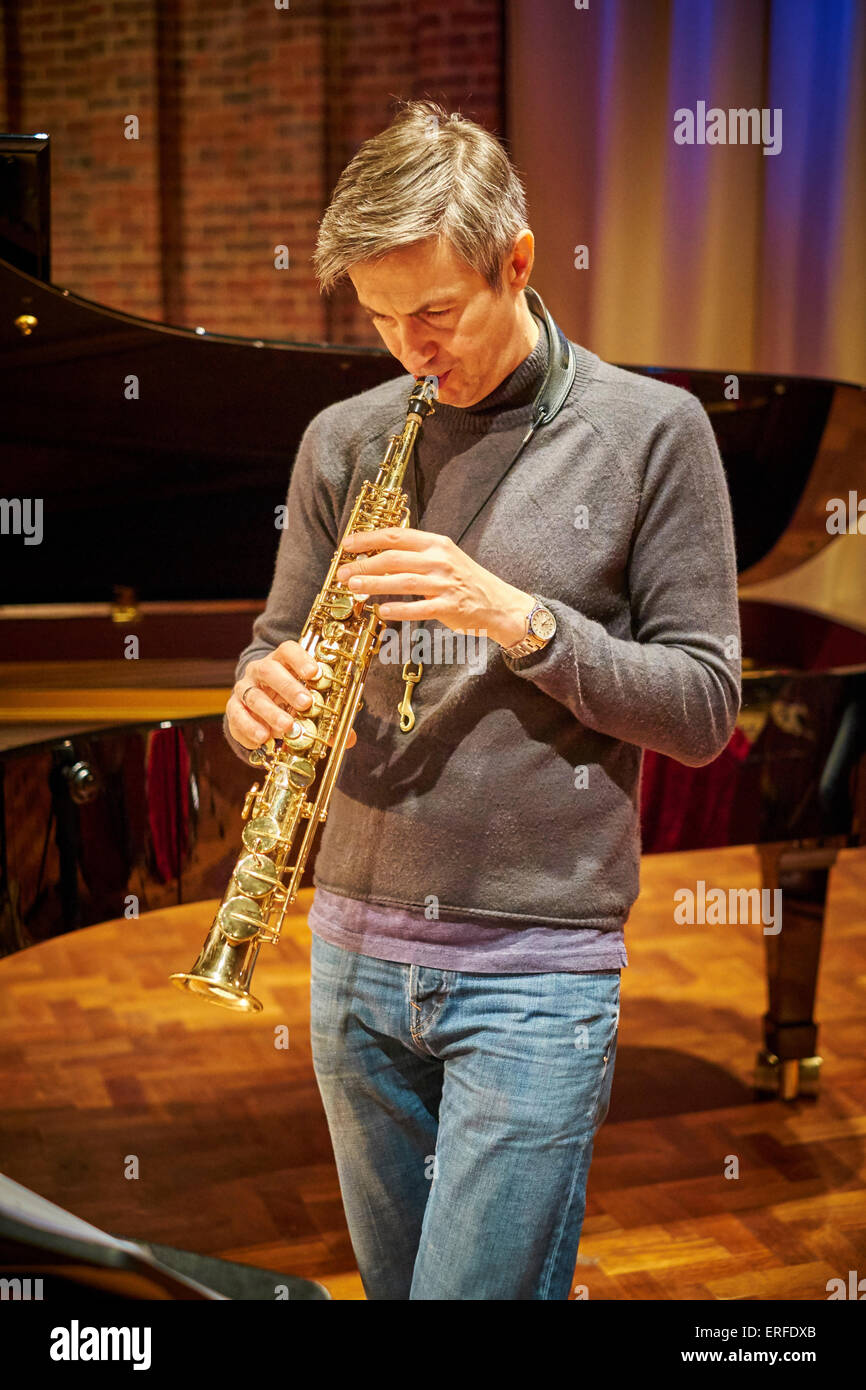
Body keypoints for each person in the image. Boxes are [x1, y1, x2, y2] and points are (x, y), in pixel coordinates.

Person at [222, 99, 741, 1300]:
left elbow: (705, 705)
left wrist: (519, 617)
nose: (409, 348)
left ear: (517, 261)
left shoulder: (650, 433)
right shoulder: (342, 440)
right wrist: (256, 697)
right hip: (350, 951)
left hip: (535, 962)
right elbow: (269, 644)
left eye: (436, 314)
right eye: (377, 317)